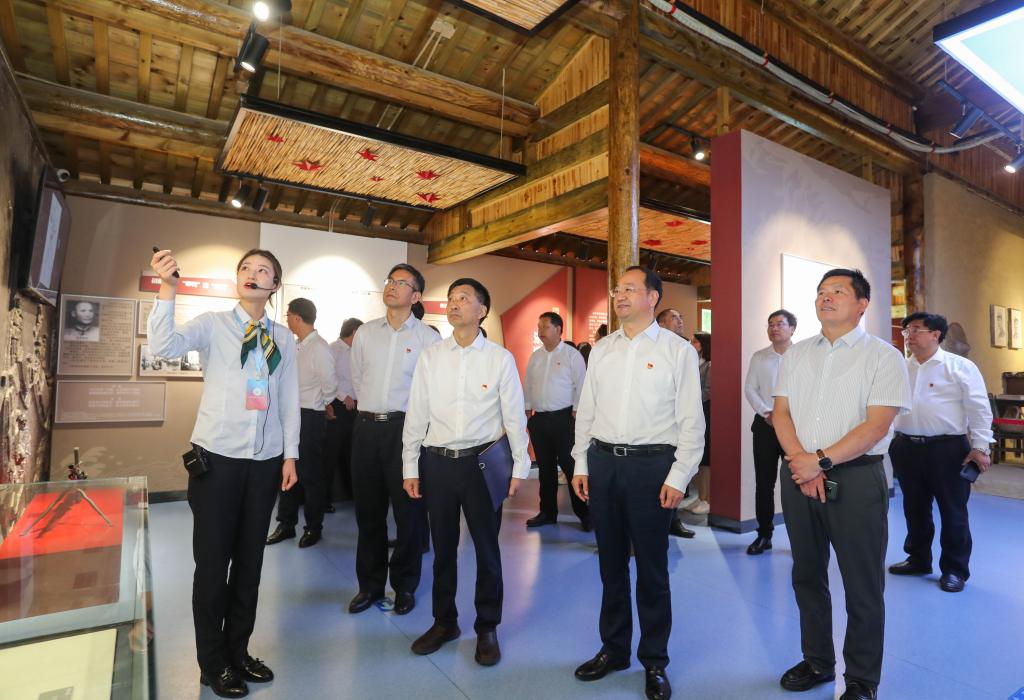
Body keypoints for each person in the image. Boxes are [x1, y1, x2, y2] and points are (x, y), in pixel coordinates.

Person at [148, 248, 299, 699]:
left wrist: (290, 455)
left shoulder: (282, 338)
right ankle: (212, 662)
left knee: (250, 566)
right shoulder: (214, 325)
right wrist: (168, 288)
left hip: (265, 462)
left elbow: (288, 399)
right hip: (218, 462)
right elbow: (163, 347)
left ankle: (238, 651)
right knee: (213, 568)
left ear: (274, 285)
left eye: (263, 270)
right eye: (246, 268)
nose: (253, 274)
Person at [771, 268, 910, 700]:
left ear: (862, 304)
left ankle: (862, 680)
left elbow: (876, 425)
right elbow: (781, 414)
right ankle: (817, 661)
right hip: (799, 475)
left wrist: (820, 462)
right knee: (806, 575)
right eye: (821, 292)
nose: (825, 297)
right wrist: (803, 464)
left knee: (862, 584)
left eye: (837, 291)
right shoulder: (796, 354)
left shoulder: (884, 356)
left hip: (856, 478)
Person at [571, 266, 705, 700]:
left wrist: (679, 475)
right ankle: (614, 650)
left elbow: (691, 421)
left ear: (652, 298)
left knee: (652, 569)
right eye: (617, 289)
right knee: (610, 565)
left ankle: (654, 660)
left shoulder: (676, 351)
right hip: (603, 463)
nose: (620, 295)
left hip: (652, 468)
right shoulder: (602, 350)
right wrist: (581, 464)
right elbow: (587, 411)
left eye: (630, 288)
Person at [402, 278, 530, 667]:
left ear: (482, 310)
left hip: (481, 466)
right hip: (437, 462)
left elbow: (514, 416)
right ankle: (445, 623)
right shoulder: (431, 356)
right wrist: (410, 465)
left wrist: (520, 466)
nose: (454, 304)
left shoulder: (499, 359)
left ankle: (487, 627)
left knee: (487, 550)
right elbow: (416, 413)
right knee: (442, 550)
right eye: (451, 298)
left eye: (464, 298)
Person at [347, 264, 439, 616]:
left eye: (402, 283)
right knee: (368, 513)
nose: (392, 286)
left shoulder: (428, 339)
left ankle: (405, 586)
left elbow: (431, 390)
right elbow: (358, 378)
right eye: (390, 280)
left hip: (407, 431)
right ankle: (369, 586)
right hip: (367, 428)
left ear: (415, 296)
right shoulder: (366, 333)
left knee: (408, 515)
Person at [888, 312, 992, 592]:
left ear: (936, 334)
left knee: (953, 510)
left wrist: (980, 447)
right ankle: (918, 559)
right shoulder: (900, 367)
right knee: (914, 508)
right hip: (906, 447)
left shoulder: (960, 367)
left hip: (948, 449)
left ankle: (955, 570)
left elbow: (979, 409)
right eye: (906, 330)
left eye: (916, 330)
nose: (908, 335)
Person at [266, 298, 337, 549]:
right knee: (286, 471)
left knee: (310, 475)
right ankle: (286, 524)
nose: (286, 320)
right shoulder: (295, 345)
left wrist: (323, 403)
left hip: (309, 417)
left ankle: (313, 527)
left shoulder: (319, 348)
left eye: (288, 315)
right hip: (288, 414)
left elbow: (330, 386)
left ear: (297, 317)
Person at [524, 311, 589, 530]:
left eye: (545, 327)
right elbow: (528, 385)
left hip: (565, 420)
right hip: (540, 420)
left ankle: (585, 514)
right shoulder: (536, 357)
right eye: (539, 327)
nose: (540, 331)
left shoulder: (572, 355)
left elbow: (582, 385)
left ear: (558, 329)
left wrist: (577, 413)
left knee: (572, 468)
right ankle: (547, 512)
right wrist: (526, 411)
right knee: (545, 469)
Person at [743, 309, 797, 555]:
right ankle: (764, 534)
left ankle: (800, 537)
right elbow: (750, 388)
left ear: (792, 329)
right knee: (764, 483)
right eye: (770, 324)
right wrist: (767, 413)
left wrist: (787, 416)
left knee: (797, 482)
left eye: (780, 324)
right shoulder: (759, 357)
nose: (774, 328)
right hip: (765, 427)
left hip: (795, 428)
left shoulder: (803, 355)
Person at [656, 308, 696, 539]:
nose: (680, 321)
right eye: (674, 317)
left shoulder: (685, 348)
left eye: (681, 317)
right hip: (661, 431)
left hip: (683, 425)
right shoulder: (658, 350)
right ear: (661, 324)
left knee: (678, 477)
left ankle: (673, 520)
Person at [324, 318, 362, 507]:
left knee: (353, 452)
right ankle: (325, 499)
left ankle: (352, 495)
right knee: (331, 453)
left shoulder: (358, 352)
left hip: (357, 408)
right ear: (354, 332)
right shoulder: (332, 350)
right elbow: (328, 379)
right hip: (338, 406)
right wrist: (343, 396)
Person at [681, 333, 712, 515]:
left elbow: (708, 391)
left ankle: (707, 499)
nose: (691, 343)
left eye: (695, 341)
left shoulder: (710, 365)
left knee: (706, 459)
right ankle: (700, 497)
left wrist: (689, 400)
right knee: (699, 461)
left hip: (705, 413)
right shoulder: (696, 362)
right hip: (695, 411)